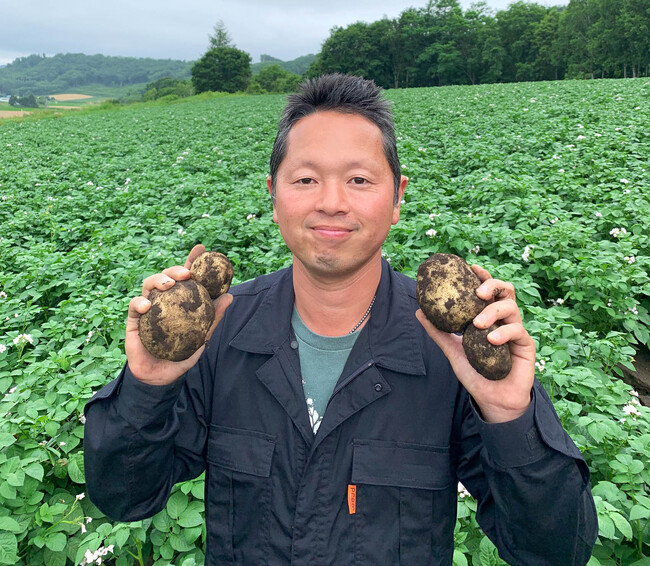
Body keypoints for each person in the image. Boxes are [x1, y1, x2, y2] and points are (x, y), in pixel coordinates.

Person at [84, 74, 597, 565]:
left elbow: (553, 551)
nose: (331, 202)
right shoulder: (220, 332)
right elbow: (125, 498)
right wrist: (147, 385)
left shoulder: (455, 349)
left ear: (397, 197)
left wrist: (510, 414)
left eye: (358, 179)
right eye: (306, 179)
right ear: (273, 194)